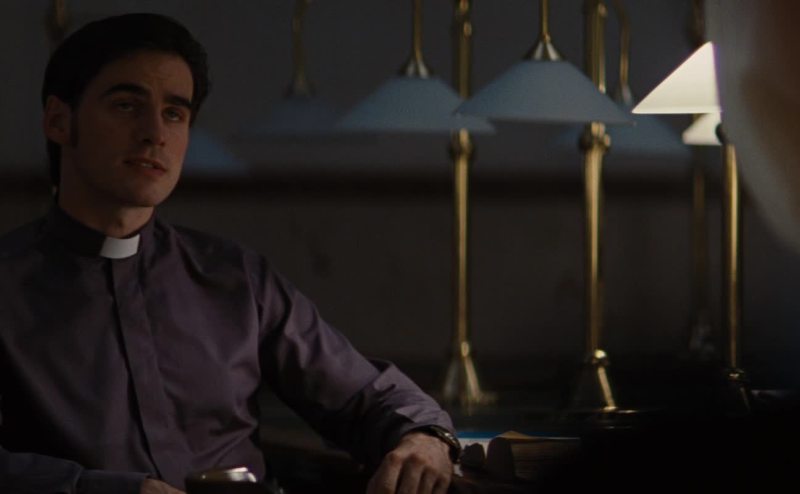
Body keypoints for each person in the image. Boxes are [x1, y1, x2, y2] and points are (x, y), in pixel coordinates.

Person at [0, 13, 459, 494]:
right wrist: (114, 491)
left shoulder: (235, 277)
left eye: (174, 113)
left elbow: (362, 394)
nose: (154, 133)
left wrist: (425, 436)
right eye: (126, 105)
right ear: (58, 120)